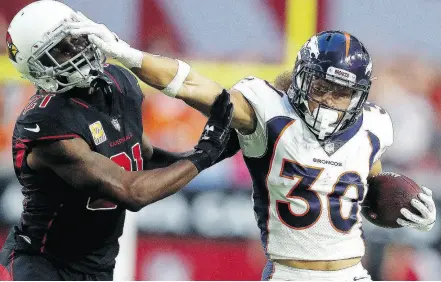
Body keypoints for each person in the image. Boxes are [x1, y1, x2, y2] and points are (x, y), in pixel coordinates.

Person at [69, 12, 438, 281]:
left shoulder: (373, 126)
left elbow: (367, 188)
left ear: (359, 97)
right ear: (301, 80)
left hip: (353, 275)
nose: (329, 101)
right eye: (321, 87)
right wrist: (128, 54)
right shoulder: (268, 112)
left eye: (342, 94)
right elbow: (193, 85)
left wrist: (408, 211)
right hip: (289, 275)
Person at [0, 1, 238, 281]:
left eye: (75, 39)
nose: (78, 49)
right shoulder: (47, 122)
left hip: (99, 268)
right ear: (39, 68)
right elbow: (131, 191)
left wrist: (223, 146)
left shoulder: (118, 82)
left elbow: (144, 159)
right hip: (43, 266)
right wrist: (206, 152)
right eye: (63, 49)